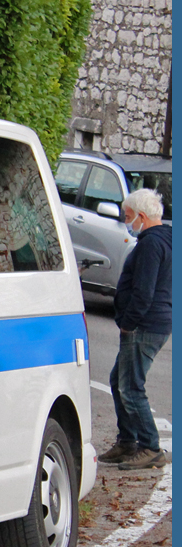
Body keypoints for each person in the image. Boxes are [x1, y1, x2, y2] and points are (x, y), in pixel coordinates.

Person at [98, 188, 172, 470]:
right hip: (155, 321)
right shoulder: (166, 237)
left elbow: (144, 290)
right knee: (119, 381)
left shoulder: (151, 244)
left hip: (144, 324)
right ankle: (128, 440)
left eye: (128, 217)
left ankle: (150, 446)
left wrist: (129, 323)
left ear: (141, 216)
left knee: (130, 387)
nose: (127, 222)